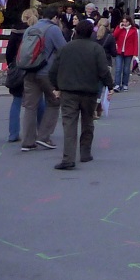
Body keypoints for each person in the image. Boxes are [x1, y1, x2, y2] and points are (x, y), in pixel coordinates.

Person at [47, 18, 113, 169]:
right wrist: (110, 86)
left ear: (76, 31)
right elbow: (104, 70)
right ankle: (85, 153)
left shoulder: (66, 48)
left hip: (68, 91)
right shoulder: (96, 49)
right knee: (88, 121)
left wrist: (56, 86)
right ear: (91, 33)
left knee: (69, 124)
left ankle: (68, 158)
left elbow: (53, 71)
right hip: (89, 91)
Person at [20, 5, 67, 152]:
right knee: (54, 102)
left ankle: (27, 141)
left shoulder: (30, 29)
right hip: (47, 73)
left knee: (30, 106)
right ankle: (44, 137)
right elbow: (64, 50)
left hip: (29, 71)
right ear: (55, 17)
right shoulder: (53, 29)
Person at [6, 8, 45, 142]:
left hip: (18, 67)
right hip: (34, 68)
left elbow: (9, 52)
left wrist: (11, 65)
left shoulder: (15, 31)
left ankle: (13, 133)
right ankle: (42, 131)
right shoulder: (38, 31)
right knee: (39, 100)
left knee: (16, 101)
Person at [112, 15, 139, 92]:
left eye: (126, 21)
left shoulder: (133, 30)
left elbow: (135, 42)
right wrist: (120, 29)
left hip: (128, 52)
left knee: (126, 69)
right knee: (118, 68)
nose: (124, 23)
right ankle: (117, 84)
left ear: (129, 22)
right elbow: (114, 36)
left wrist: (135, 54)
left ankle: (125, 84)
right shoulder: (119, 28)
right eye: (123, 21)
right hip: (119, 51)